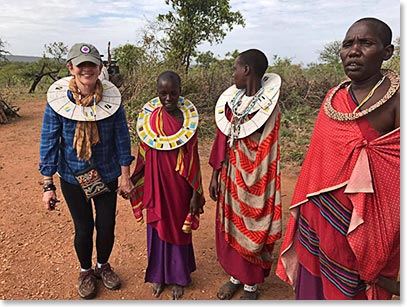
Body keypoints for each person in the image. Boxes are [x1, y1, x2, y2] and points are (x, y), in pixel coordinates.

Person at [276, 17, 400, 300]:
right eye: (348, 44)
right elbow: (315, 164)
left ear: (387, 51)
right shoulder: (334, 98)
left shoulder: (397, 100)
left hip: (362, 225)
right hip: (318, 219)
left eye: (366, 43)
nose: (353, 51)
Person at [39, 43, 135, 299]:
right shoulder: (57, 103)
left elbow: (121, 139)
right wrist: (48, 185)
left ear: (100, 67)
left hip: (106, 173)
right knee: (83, 228)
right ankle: (85, 271)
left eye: (92, 64)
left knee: (106, 226)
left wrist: (125, 176)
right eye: (81, 65)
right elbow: (49, 140)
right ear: (71, 68)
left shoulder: (112, 101)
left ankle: (103, 265)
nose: (87, 70)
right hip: (72, 176)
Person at [209, 49, 283, 300]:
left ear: (247, 70)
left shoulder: (268, 108)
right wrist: (216, 173)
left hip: (257, 179)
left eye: (235, 69)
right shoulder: (233, 103)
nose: (233, 74)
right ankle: (235, 277)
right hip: (231, 176)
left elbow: (268, 147)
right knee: (231, 223)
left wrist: (253, 173)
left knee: (254, 224)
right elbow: (223, 136)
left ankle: (251, 284)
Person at [129, 71, 205, 300]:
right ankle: (159, 276)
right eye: (163, 94)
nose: (168, 98)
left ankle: (179, 277)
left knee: (179, 230)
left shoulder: (188, 123)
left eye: (173, 93)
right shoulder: (150, 120)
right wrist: (133, 179)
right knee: (157, 228)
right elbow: (143, 154)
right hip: (155, 184)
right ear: (157, 93)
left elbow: (193, 159)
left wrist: (195, 193)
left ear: (180, 92)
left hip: (180, 186)